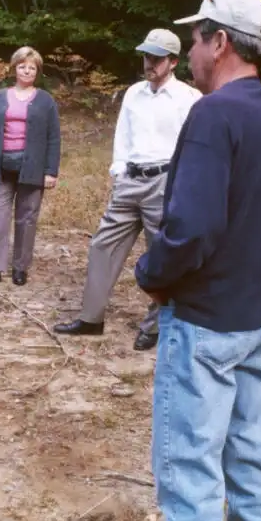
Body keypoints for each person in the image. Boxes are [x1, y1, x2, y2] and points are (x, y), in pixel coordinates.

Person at [135, 0, 261, 521]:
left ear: (219, 43)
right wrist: (258, 269)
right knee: (248, 456)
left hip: (206, 325)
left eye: (194, 39)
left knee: (190, 470)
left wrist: (152, 275)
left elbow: (190, 229)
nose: (190, 52)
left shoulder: (212, 114)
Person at [54, 29, 201, 350]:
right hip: (130, 180)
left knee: (162, 254)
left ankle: (156, 326)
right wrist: (119, 171)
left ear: (173, 62)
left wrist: (180, 185)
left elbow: (193, 145)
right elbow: (123, 134)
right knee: (102, 245)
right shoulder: (134, 93)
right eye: (147, 56)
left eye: (157, 58)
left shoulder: (189, 99)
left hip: (164, 181)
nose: (149, 63)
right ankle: (91, 318)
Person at [0, 46, 61, 287]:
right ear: (14, 69)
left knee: (27, 219)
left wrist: (51, 171)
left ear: (37, 71)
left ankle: (20, 268)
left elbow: (53, 138)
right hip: (2, 168)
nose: (27, 71)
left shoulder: (45, 101)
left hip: (33, 169)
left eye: (32, 67)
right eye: (22, 66)